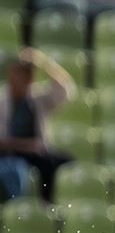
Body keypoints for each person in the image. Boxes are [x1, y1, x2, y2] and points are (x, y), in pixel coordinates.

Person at [2, 49, 76, 205]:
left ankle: (49, 205)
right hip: (10, 152)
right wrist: (26, 146)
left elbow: (66, 89)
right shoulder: (2, 102)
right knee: (43, 164)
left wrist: (43, 63)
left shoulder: (37, 99)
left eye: (26, 76)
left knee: (65, 161)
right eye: (18, 75)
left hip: (36, 152)